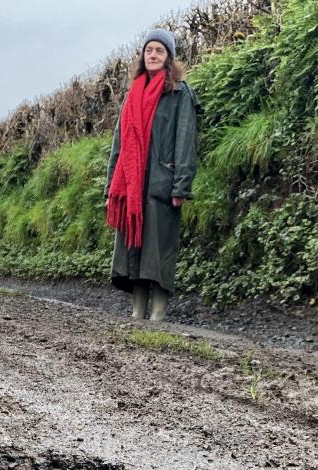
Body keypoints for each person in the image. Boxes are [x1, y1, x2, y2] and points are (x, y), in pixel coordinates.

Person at [105, 28, 200, 323]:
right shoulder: (131, 96)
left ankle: (157, 315)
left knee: (159, 249)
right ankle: (136, 312)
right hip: (132, 186)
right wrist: (112, 186)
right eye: (149, 51)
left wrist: (180, 186)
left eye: (160, 51)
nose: (153, 55)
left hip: (162, 184)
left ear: (169, 57)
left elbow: (186, 140)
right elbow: (118, 145)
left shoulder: (180, 93)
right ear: (143, 56)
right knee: (135, 246)